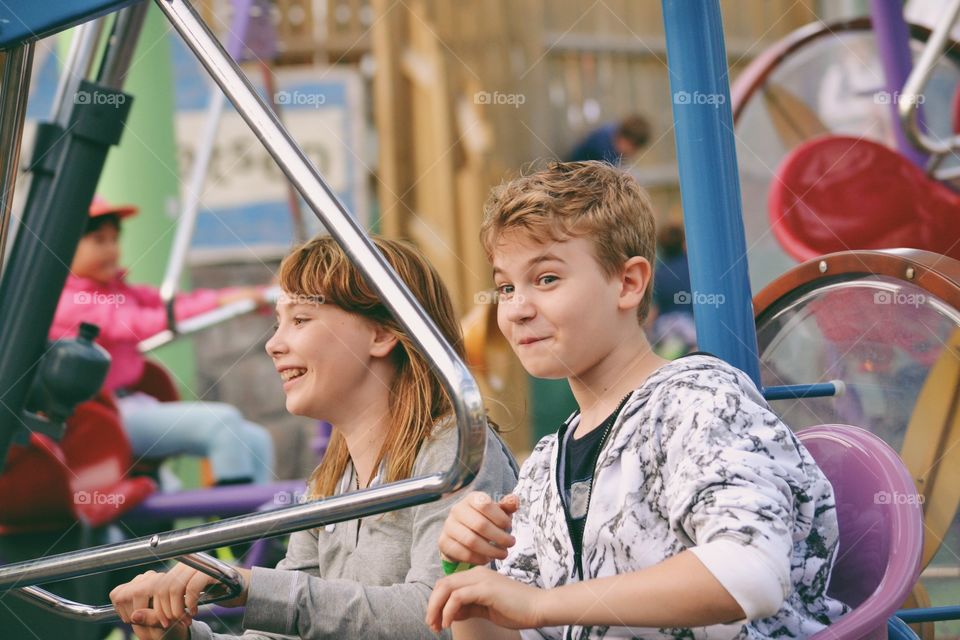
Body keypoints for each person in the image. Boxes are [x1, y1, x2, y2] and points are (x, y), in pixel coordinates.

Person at [426, 161, 848, 639]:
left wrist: (544, 605)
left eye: (546, 279)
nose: (518, 309)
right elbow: (519, 628)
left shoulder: (698, 401)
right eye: (506, 287)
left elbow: (751, 572)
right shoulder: (545, 466)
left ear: (628, 283)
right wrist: (465, 576)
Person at [108, 234, 519, 640]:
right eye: (277, 323)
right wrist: (181, 636)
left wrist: (251, 586)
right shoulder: (329, 479)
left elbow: (438, 618)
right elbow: (285, 632)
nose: (273, 344)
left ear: (381, 334)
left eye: (300, 319)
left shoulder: (456, 454)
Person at [50, 196, 274, 486]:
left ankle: (265, 531)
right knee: (224, 423)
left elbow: (173, 303)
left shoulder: (116, 290)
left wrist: (248, 296)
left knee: (257, 440)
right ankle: (237, 528)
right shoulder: (68, 301)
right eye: (98, 240)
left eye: (114, 239)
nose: (112, 250)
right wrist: (220, 301)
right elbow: (142, 322)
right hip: (99, 419)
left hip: (132, 405)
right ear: (66, 245)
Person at [650, 222, 696, 359]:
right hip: (691, 328)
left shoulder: (659, 273)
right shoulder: (694, 269)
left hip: (666, 330)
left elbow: (654, 310)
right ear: (683, 242)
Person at [566, 114, 650, 165]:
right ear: (627, 141)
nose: (631, 153)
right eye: (633, 148)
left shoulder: (612, 132)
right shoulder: (603, 146)